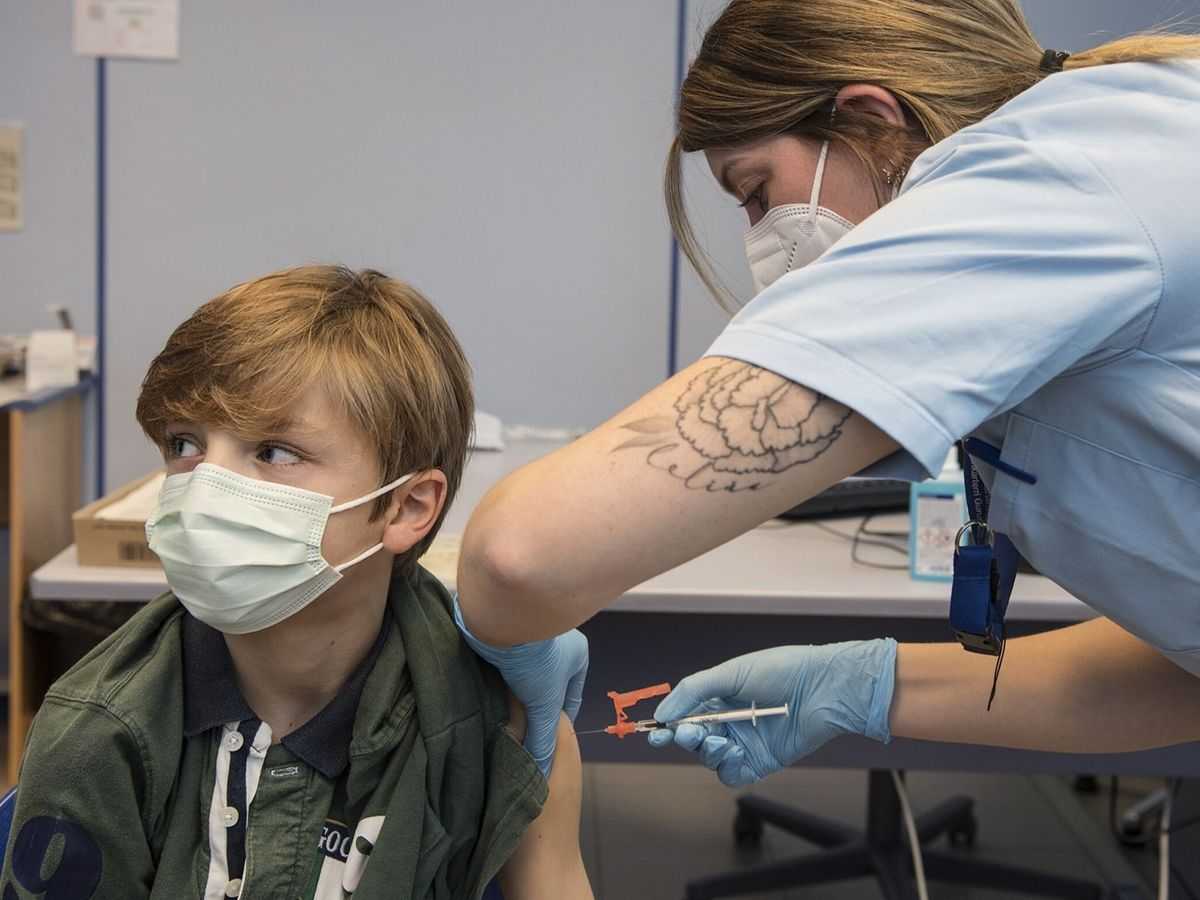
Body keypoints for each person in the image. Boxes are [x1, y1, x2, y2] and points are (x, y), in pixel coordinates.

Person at [454, 0, 1200, 788]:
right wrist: (865, 686)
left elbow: (521, 555)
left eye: (757, 190)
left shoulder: (1041, 186)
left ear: (875, 123)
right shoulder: (1122, 142)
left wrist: (517, 633)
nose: (758, 240)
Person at [2, 267, 591, 899]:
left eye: (275, 452)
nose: (206, 488)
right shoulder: (99, 735)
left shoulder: (501, 725)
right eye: (185, 444)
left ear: (408, 506)